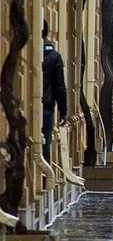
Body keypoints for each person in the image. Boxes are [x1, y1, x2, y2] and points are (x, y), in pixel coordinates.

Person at [42, 22, 68, 162]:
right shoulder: (53, 56)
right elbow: (59, 86)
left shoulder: (26, 53)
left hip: (27, 108)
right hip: (46, 107)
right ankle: (45, 181)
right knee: (45, 144)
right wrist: (63, 111)